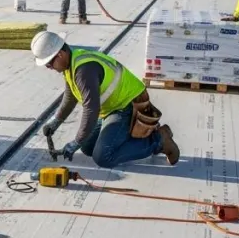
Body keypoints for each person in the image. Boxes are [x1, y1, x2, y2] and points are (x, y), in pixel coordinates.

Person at [31, 31, 180, 168]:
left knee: (103, 156)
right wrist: (56, 121)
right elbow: (70, 95)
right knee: (87, 147)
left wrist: (76, 141)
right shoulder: (71, 63)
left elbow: (91, 110)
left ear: (60, 54)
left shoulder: (84, 71)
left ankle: (158, 140)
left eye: (49, 62)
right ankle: (121, 135)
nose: (48, 67)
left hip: (128, 105)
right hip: (112, 107)